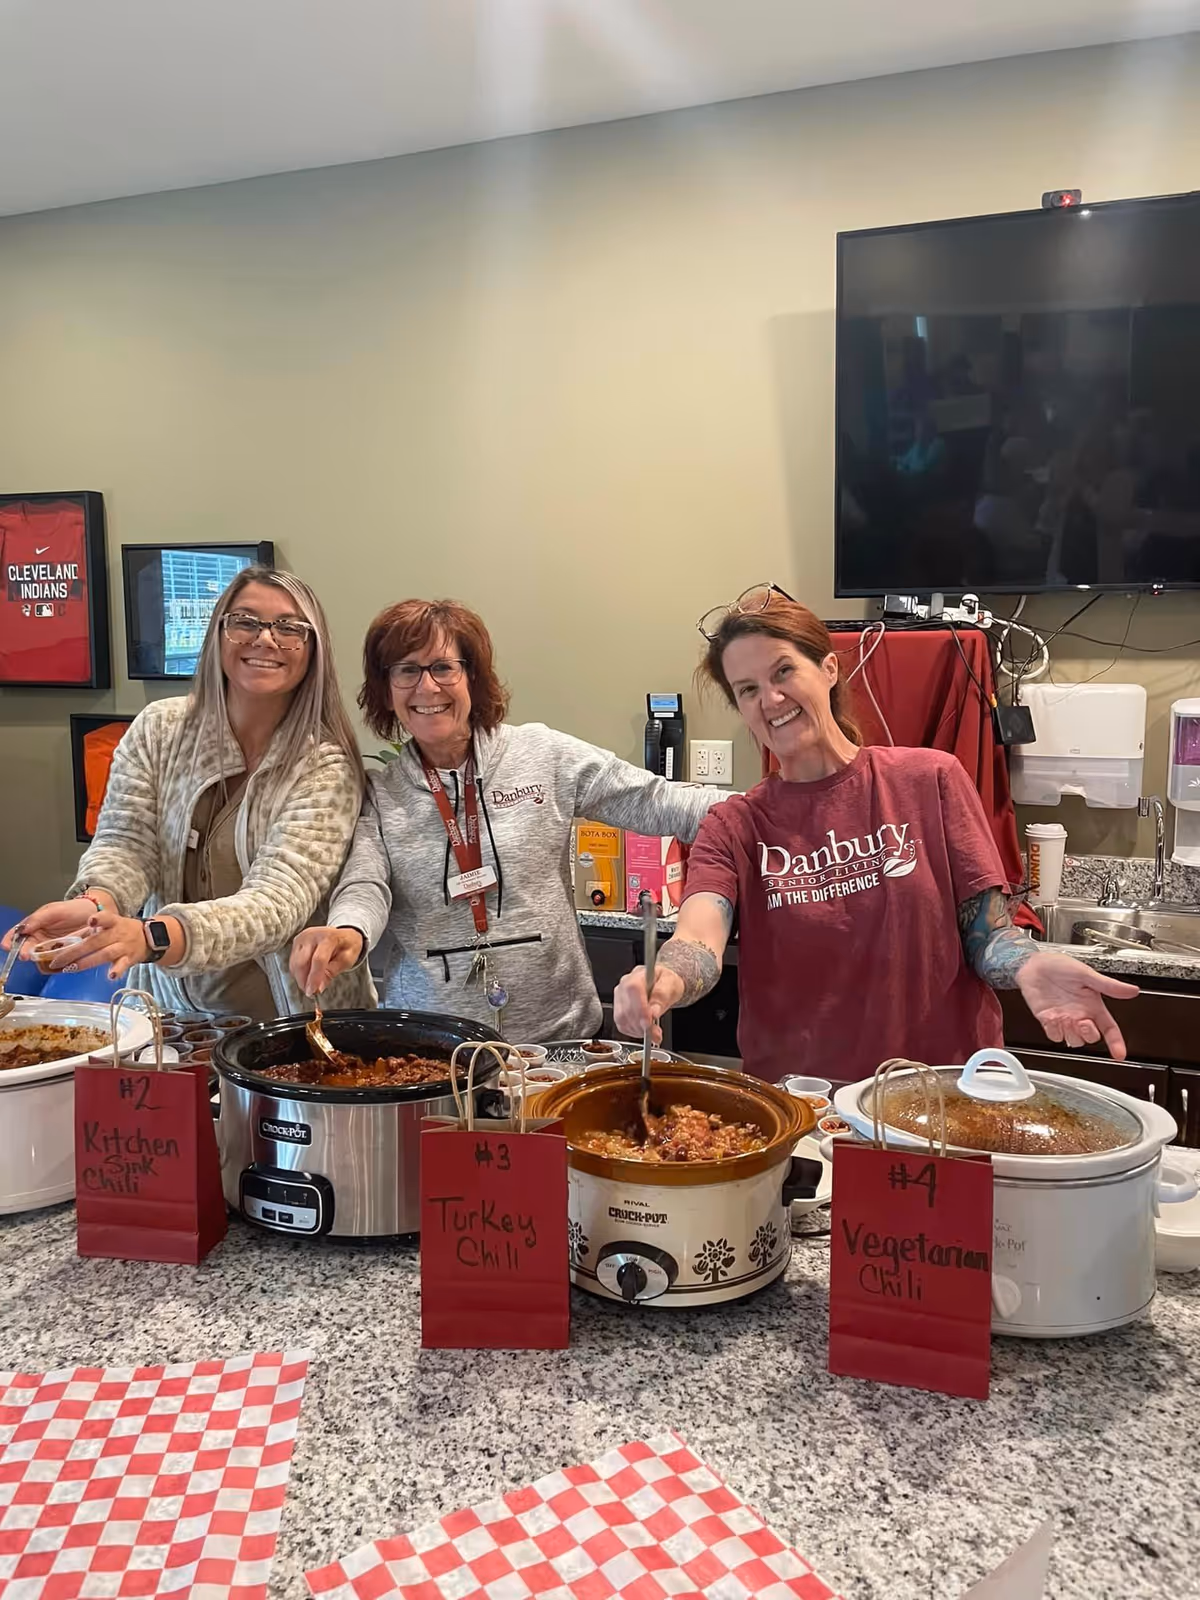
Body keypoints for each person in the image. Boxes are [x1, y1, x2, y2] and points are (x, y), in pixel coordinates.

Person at [612, 585, 1137, 1081]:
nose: (771, 700)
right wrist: (663, 979)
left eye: (784, 672)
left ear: (829, 668)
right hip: (804, 1106)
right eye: (748, 690)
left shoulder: (930, 780)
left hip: (938, 1092)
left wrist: (1030, 966)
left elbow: (989, 936)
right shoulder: (734, 824)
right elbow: (699, 939)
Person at [289, 598, 722, 1041]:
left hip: (558, 1044)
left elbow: (655, 800)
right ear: (386, 689)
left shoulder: (542, 756)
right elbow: (366, 884)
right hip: (431, 1050)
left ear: (472, 677)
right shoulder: (380, 794)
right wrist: (347, 930)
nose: (427, 687)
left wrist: (778, 804)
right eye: (406, 670)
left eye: (443, 667)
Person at [5, 566, 372, 1020]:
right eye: (245, 621)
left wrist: (153, 936)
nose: (266, 639)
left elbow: (277, 904)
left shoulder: (326, 765)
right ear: (218, 633)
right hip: (167, 1014)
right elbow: (126, 844)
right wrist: (96, 905)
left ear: (313, 650)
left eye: (289, 628)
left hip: (291, 1022)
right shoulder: (159, 729)